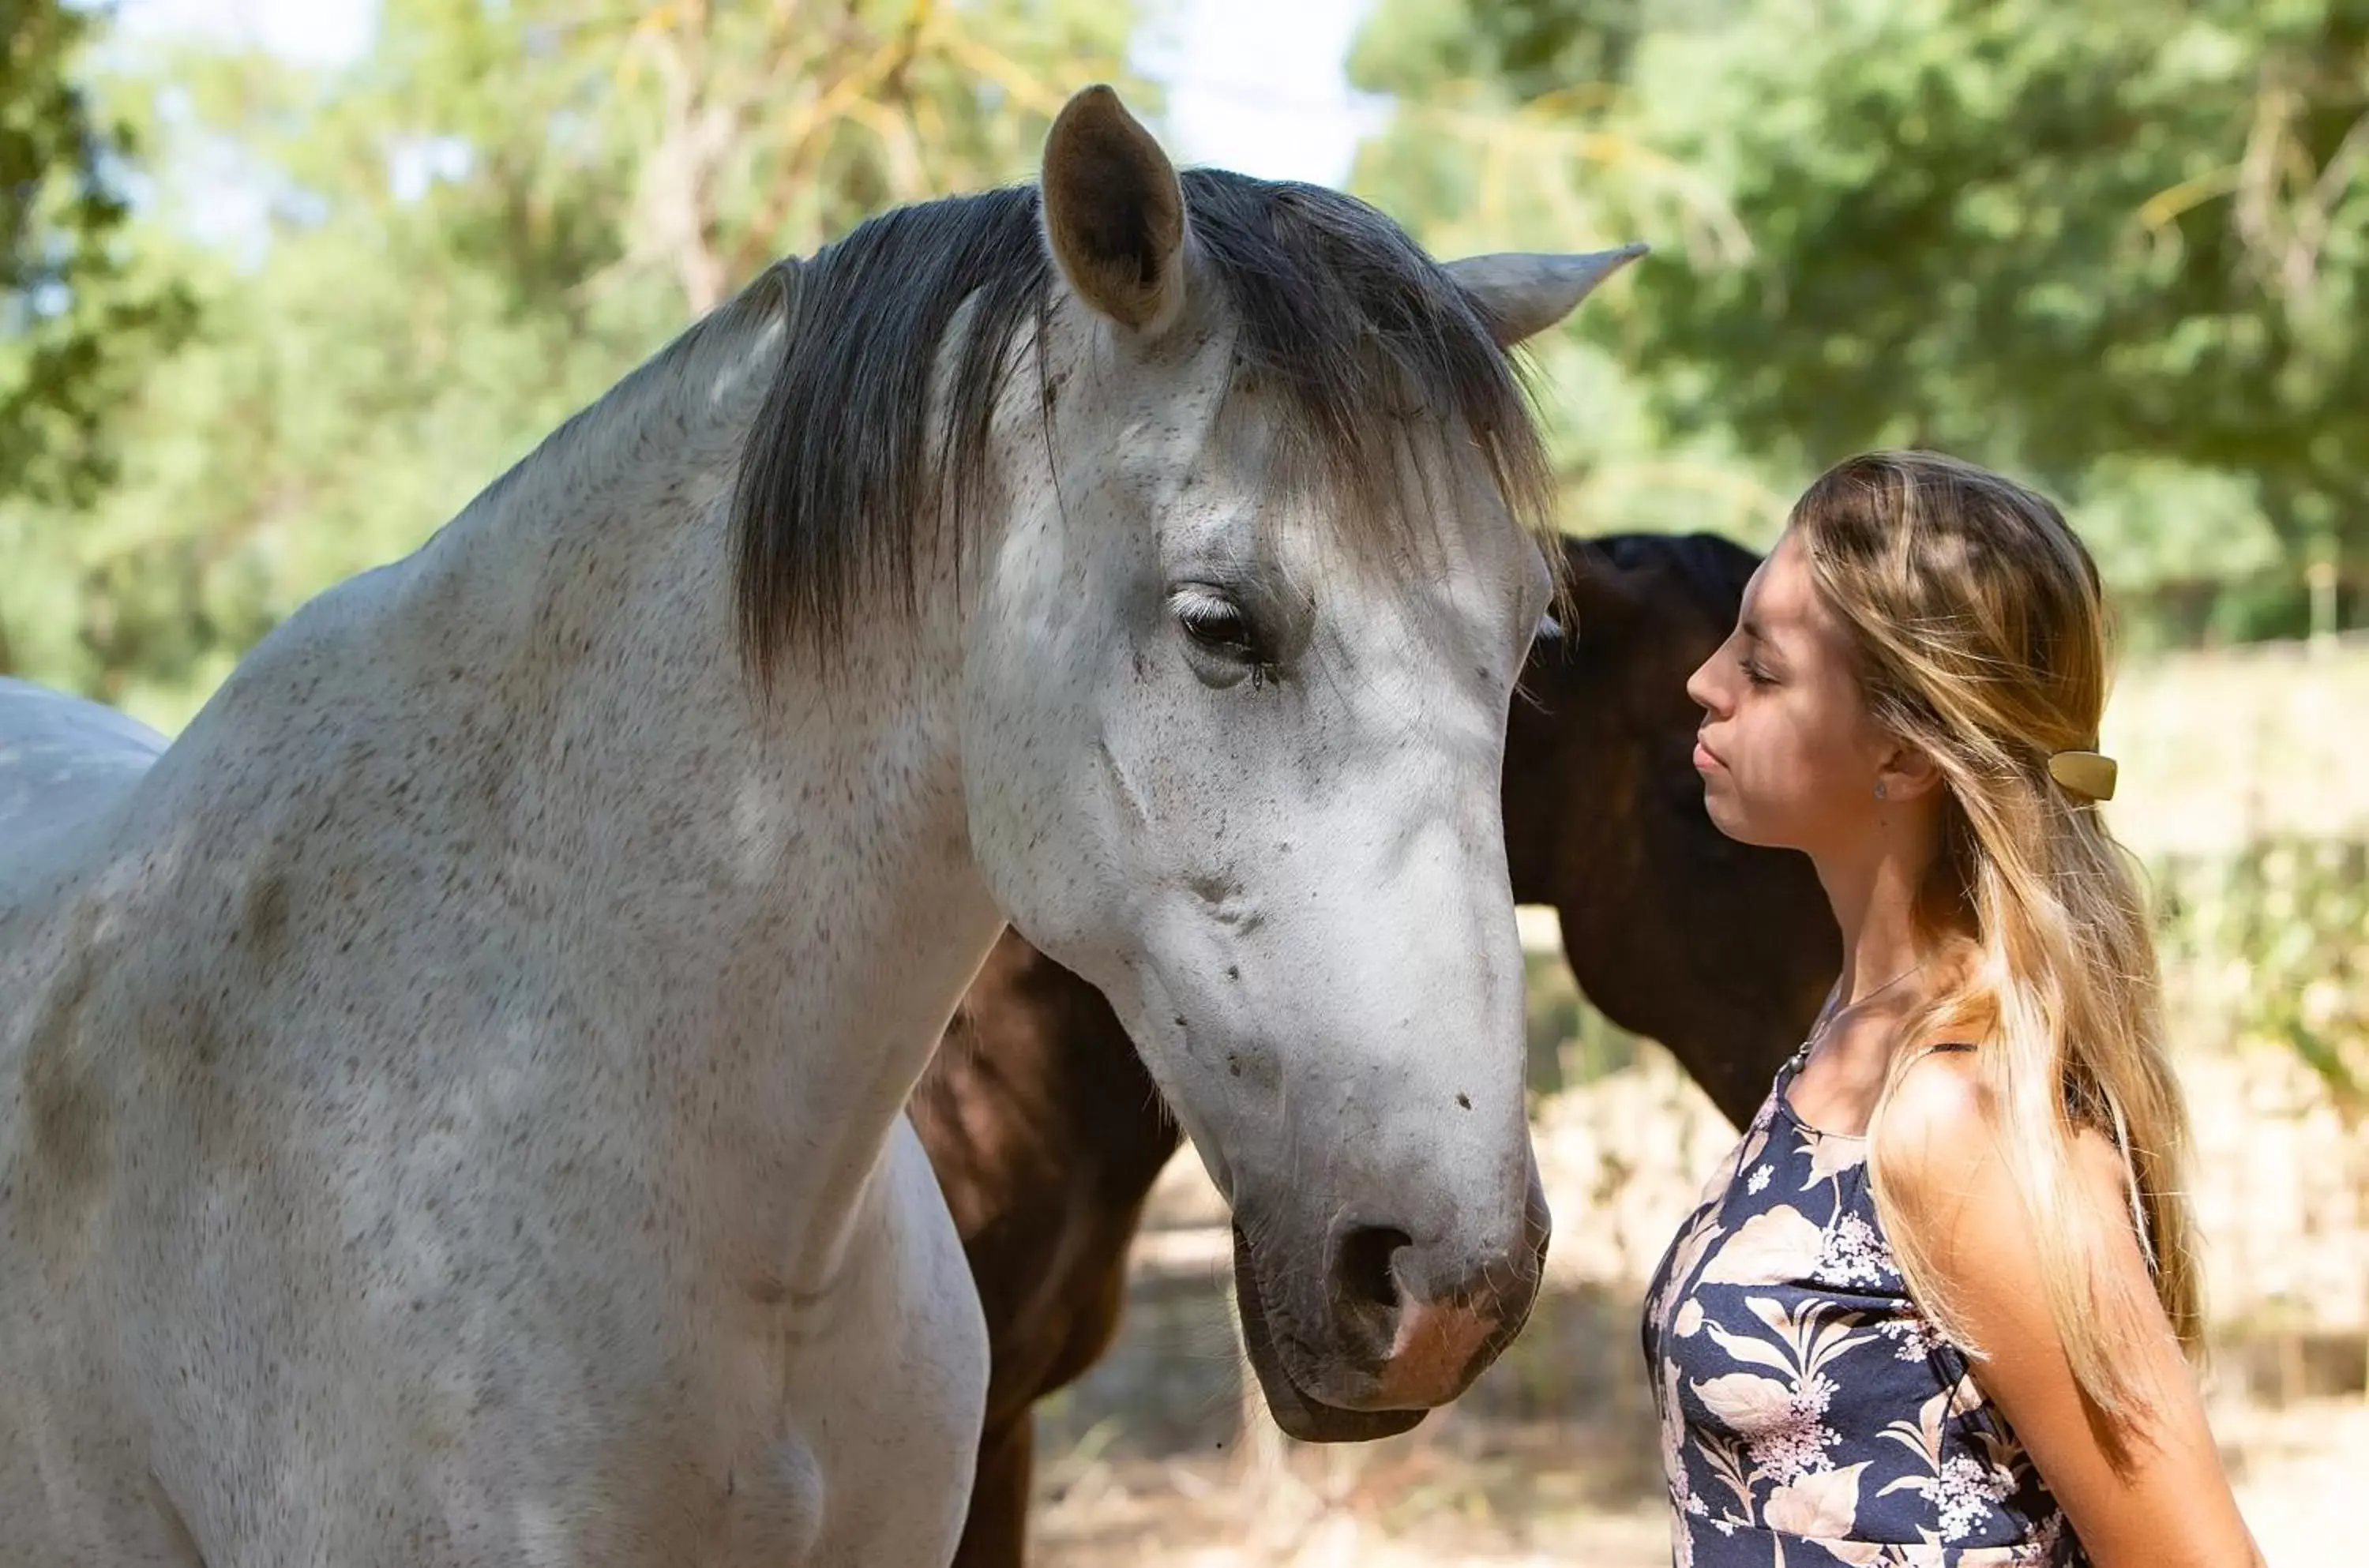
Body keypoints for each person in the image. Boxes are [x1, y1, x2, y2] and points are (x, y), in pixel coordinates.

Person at [1642, 451, 2266, 1566]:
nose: (1704, 680)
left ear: (1900, 749)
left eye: (1763, 666)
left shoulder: (1959, 1112)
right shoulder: (1860, 1029)